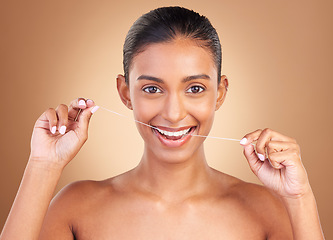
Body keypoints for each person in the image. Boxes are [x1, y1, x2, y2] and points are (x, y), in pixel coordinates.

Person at [0, 6, 324, 240]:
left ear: (220, 93)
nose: (172, 113)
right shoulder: (75, 208)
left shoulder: (267, 210)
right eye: (152, 89)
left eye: (194, 88)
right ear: (125, 93)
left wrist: (299, 198)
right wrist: (43, 166)